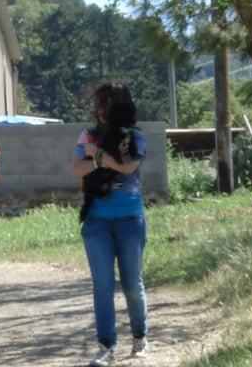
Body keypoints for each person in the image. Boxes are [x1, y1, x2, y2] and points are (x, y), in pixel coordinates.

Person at [70, 83, 148, 367]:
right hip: (96, 221)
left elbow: (128, 167)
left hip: (130, 218)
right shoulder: (87, 135)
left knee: (131, 283)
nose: (102, 109)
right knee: (102, 285)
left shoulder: (135, 136)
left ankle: (139, 334)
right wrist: (95, 156)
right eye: (100, 103)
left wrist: (99, 156)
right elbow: (76, 168)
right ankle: (107, 346)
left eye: (109, 103)